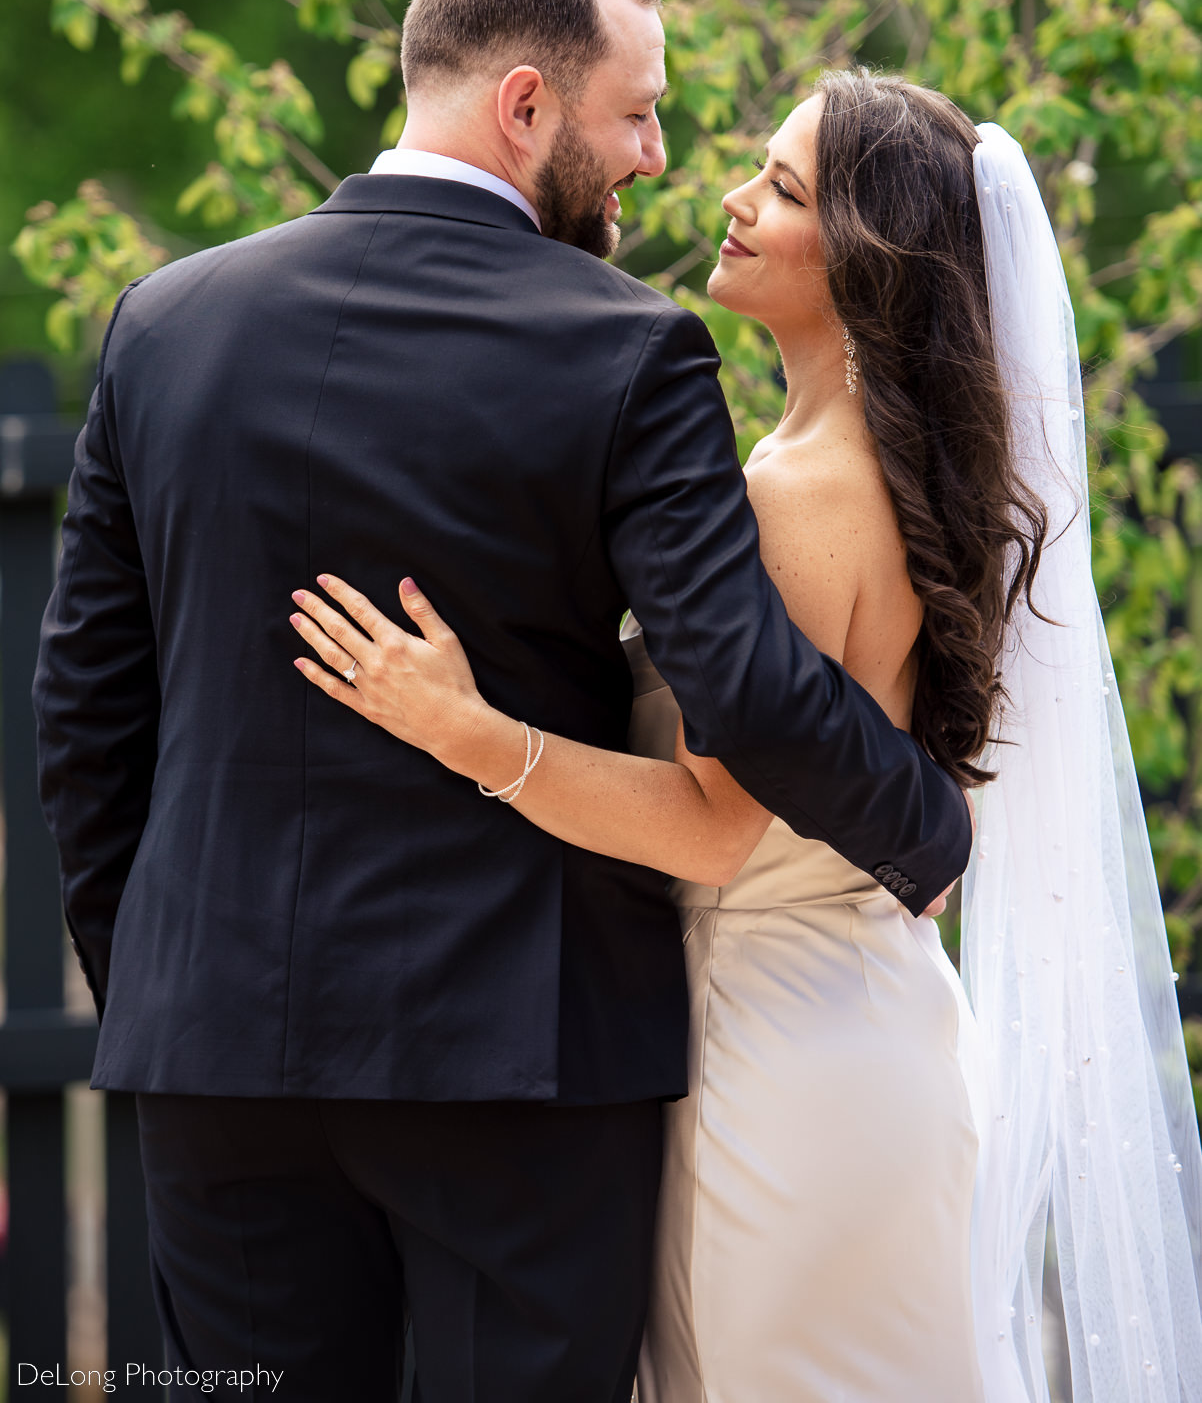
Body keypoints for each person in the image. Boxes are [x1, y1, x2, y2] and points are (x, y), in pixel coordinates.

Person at [34, 0, 971, 1403]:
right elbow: (738, 683)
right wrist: (926, 826)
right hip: (521, 1063)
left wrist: (167, 981)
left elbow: (86, 718)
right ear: (525, 104)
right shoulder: (623, 347)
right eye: (636, 112)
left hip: (215, 1057)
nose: (655, 156)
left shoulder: (164, 323)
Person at [292, 70, 1202, 1401]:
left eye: (780, 189)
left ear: (868, 261)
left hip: (775, 1061)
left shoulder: (792, 500)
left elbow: (717, 828)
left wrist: (469, 732)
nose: (730, 199)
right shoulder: (894, 478)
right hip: (860, 1026)